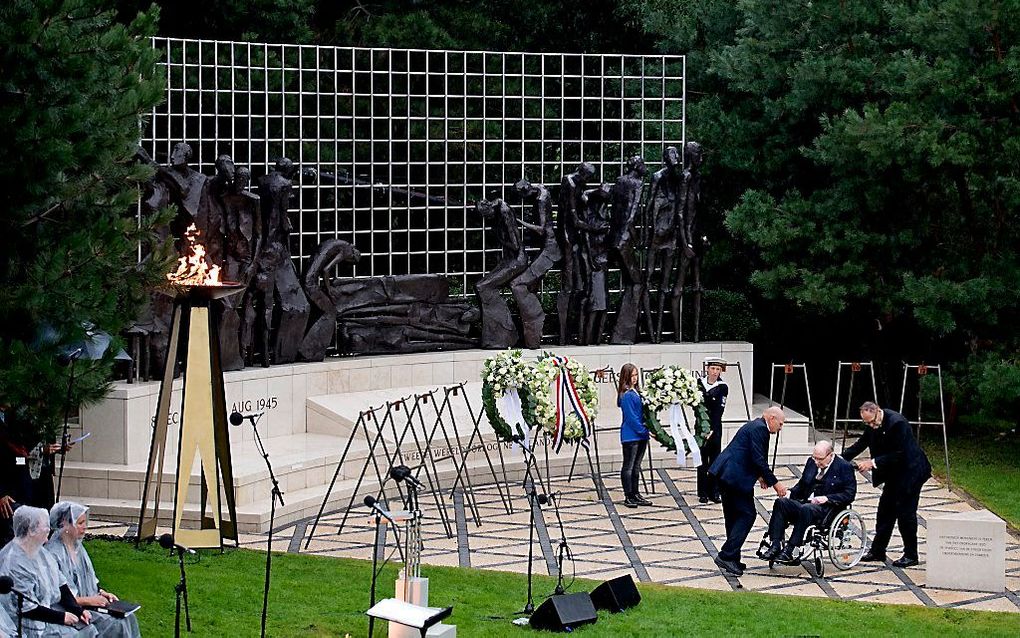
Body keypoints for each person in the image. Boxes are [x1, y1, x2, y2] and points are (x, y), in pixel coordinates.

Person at [842, 401, 932, 568]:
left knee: (905, 513)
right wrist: (839, 460)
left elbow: (899, 453)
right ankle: (878, 550)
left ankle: (911, 554)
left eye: (871, 422)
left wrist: (872, 462)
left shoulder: (897, 423)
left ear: (877, 412)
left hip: (911, 471)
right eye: (866, 423)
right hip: (895, 473)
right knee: (885, 511)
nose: (870, 425)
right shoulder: (873, 424)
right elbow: (861, 443)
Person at [709, 406, 787, 576]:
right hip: (735, 477)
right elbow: (758, 458)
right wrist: (776, 483)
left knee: (733, 516)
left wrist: (760, 476)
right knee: (747, 514)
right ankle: (727, 555)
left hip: (728, 474)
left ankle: (733, 557)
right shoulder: (760, 429)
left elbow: (750, 454)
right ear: (772, 418)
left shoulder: (754, 426)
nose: (780, 428)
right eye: (780, 424)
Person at [45, 502, 141, 637]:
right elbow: (61, 596)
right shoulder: (54, 553)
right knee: (115, 623)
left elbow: (89, 578)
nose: (84, 527)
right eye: (80, 523)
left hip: (89, 602)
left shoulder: (78, 547)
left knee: (129, 618)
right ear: (65, 524)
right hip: (68, 608)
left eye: (85, 522)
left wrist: (102, 592)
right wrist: (91, 600)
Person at [0, 506, 97, 637]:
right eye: (44, 526)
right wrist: (62, 617)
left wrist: (78, 610)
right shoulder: (14, 561)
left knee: (89, 629)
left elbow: (61, 584)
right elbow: (25, 606)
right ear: (31, 530)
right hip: (26, 625)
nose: (48, 529)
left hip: (46, 615)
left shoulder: (41, 552)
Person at [764, 440, 857, 562]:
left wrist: (827, 498)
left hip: (827, 509)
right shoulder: (811, 462)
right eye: (815, 458)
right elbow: (803, 484)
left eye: (820, 459)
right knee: (781, 503)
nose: (817, 462)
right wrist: (790, 493)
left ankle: (791, 548)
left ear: (830, 455)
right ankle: (775, 545)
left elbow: (849, 494)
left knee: (806, 508)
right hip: (806, 503)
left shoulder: (844, 467)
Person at [617, 363, 650, 508]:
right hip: (631, 435)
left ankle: (635, 493)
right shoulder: (627, 395)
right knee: (628, 466)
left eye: (636, 375)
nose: (635, 378)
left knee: (636, 466)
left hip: (640, 435)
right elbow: (631, 418)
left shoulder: (636, 392)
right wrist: (645, 430)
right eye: (632, 375)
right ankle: (628, 495)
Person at [696, 358, 728, 504]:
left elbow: (719, 410)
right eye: (712, 368)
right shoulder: (699, 384)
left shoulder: (722, 387)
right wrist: (703, 427)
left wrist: (712, 429)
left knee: (715, 460)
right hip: (701, 427)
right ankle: (702, 492)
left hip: (715, 428)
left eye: (717, 369)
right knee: (702, 460)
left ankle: (714, 491)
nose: (715, 372)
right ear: (707, 369)